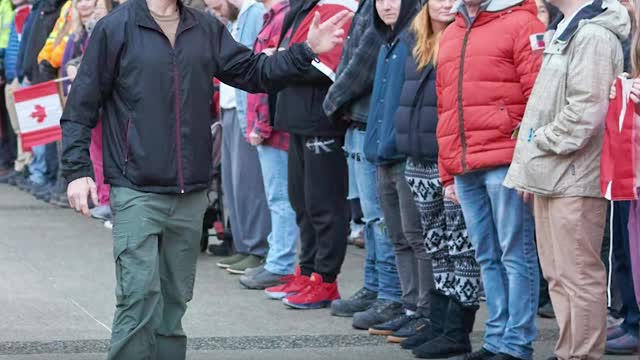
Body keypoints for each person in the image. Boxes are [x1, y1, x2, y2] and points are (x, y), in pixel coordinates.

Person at [60, 0, 352, 356]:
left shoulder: (204, 27)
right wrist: (77, 171)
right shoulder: (116, 28)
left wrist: (306, 50)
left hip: (190, 191)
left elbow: (255, 71)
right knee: (137, 298)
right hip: (135, 186)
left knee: (174, 304)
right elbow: (80, 106)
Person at [504, 0, 629, 358]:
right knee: (558, 276)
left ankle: (582, 354)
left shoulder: (592, 34)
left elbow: (585, 113)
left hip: (573, 177)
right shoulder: (568, 27)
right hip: (551, 175)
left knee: (578, 276)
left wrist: (538, 141)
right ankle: (567, 352)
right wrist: (533, 163)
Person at [435, 0, 544, 358]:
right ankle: (495, 339)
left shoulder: (522, 23)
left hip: (505, 161)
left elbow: (537, 100)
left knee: (516, 255)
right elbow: (445, 107)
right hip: (465, 167)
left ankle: (516, 343)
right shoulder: (452, 31)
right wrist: (447, 172)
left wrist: (528, 163)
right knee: (486, 256)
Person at [395, 0, 482, 357]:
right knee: (436, 244)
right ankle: (438, 322)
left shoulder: (467, 38)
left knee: (461, 247)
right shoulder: (416, 41)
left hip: (450, 160)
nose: (446, 3)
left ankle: (457, 330)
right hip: (418, 159)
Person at [262, 0, 355, 310]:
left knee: (324, 206)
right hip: (298, 120)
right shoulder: (301, 8)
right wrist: (281, 60)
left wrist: (281, 61)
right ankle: (308, 271)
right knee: (301, 203)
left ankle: (325, 280)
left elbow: (329, 67)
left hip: (322, 123)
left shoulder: (337, 6)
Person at [323, 0, 404, 329]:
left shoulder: (391, 14)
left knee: (381, 216)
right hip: (359, 120)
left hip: (374, 122)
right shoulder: (367, 7)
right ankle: (374, 286)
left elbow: (360, 65)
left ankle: (389, 292)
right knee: (371, 218)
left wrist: (332, 99)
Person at [360, 0, 434, 344]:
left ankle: (425, 311)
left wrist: (395, 142)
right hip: (381, 156)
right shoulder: (386, 44)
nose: (386, 5)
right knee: (398, 238)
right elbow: (378, 103)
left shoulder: (414, 41)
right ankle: (409, 309)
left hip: (405, 156)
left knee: (416, 237)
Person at [207, 0, 272, 275]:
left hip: (247, 110)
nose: (215, 11)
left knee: (250, 184)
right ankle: (243, 245)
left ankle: (257, 248)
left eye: (217, 5)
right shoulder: (235, 20)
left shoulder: (255, 14)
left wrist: (259, 119)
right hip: (230, 108)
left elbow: (258, 66)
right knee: (233, 184)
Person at [238, 0, 300, 289]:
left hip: (273, 128)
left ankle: (281, 264)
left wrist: (260, 125)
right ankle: (277, 259)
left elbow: (270, 75)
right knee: (277, 197)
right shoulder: (271, 16)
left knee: (280, 199)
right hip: (268, 125)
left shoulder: (282, 17)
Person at [0, 0, 31, 184]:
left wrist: (19, 76)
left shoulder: (24, 12)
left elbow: (22, 48)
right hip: (13, 76)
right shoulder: (18, 12)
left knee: (24, 127)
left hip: (19, 78)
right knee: (18, 127)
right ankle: (21, 166)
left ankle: (25, 168)